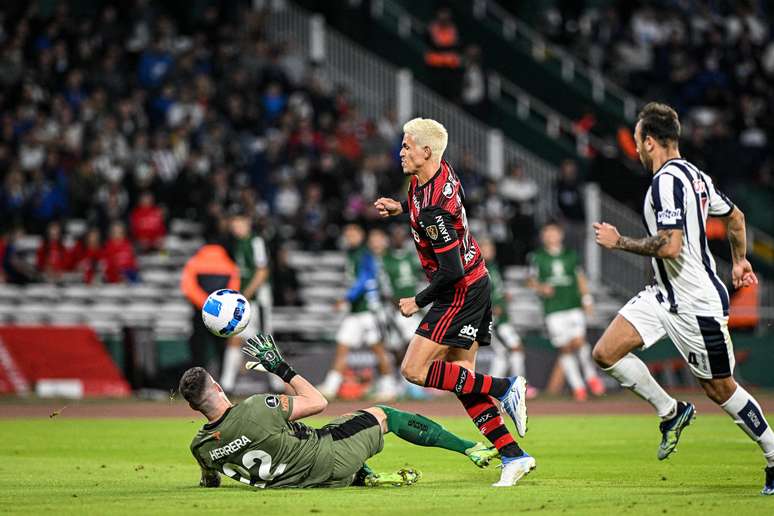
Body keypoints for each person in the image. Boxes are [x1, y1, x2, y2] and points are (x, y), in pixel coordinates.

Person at [592, 102, 774, 495]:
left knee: (720, 389)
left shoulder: (666, 182)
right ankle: (670, 411)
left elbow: (671, 246)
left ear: (650, 141)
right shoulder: (696, 176)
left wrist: (618, 241)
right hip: (663, 295)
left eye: (638, 141)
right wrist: (739, 260)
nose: (636, 149)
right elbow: (736, 217)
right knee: (606, 353)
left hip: (695, 302)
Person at [374, 117, 533, 487]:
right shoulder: (436, 173)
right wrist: (401, 208)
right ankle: (514, 455)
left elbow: (451, 270)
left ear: (426, 151)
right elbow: (423, 205)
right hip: (476, 281)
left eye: (407, 146)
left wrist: (417, 301)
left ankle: (504, 387)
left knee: (413, 370)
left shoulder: (434, 209)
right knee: (463, 380)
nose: (401, 152)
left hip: (460, 290)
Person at [181, 333, 500, 489]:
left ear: (194, 407)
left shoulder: (200, 447)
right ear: (218, 387)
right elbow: (318, 402)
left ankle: (367, 476)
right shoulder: (256, 407)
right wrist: (280, 368)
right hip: (328, 461)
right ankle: (470, 448)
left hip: (302, 482)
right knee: (386, 414)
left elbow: (210, 481)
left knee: (325, 429)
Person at [318, 226, 397, 401]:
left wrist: (347, 297)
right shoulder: (351, 253)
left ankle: (389, 386)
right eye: (347, 235)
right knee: (342, 346)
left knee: (378, 349)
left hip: (368, 311)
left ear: (361, 235)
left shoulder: (364, 253)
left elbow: (365, 279)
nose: (349, 237)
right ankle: (331, 386)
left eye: (353, 234)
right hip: (355, 311)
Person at [527, 222, 604, 402]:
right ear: (543, 236)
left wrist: (587, 299)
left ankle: (591, 376)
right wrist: (541, 287)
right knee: (565, 348)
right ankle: (578, 387)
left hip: (573, 305)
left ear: (560, 234)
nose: (551, 236)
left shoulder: (571, 255)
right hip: (553, 309)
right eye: (547, 233)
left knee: (579, 342)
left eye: (554, 232)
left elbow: (580, 278)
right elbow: (530, 280)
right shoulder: (537, 257)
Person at [219, 212, 274, 394]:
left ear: (248, 223)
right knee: (235, 337)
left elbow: (262, 272)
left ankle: (278, 382)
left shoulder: (255, 241)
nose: (236, 227)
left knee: (265, 342)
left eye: (239, 223)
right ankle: (227, 384)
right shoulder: (238, 243)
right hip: (246, 301)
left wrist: (245, 295)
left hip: (258, 300)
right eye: (234, 224)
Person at [479, 237, 536, 398]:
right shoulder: (477, 269)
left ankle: (491, 388)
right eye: (486, 248)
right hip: (492, 319)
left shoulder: (492, 267)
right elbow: (475, 294)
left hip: (501, 318)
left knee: (502, 353)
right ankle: (519, 386)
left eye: (491, 248)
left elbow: (495, 290)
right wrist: (490, 307)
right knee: (515, 348)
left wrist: (503, 296)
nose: (490, 251)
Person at [180, 234, 240, 377]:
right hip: (221, 314)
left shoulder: (194, 262)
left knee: (198, 348)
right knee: (221, 349)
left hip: (199, 312)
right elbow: (233, 290)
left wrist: (206, 304)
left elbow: (188, 287)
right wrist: (217, 306)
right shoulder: (230, 265)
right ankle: (223, 379)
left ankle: (197, 381)